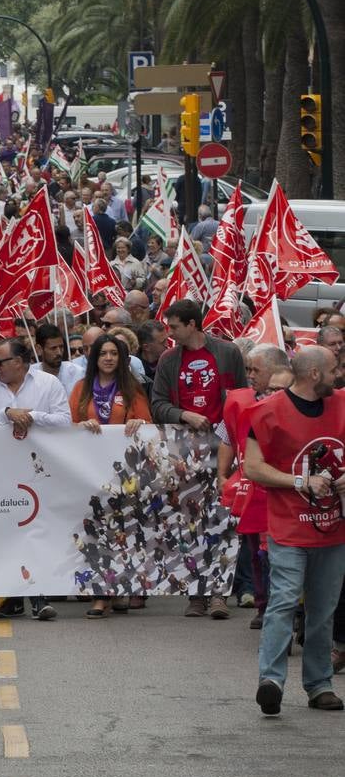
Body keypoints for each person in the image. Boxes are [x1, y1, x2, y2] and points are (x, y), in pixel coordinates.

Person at [244, 346, 344, 714]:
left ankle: (319, 686)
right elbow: (253, 468)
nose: (339, 373)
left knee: (322, 611)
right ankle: (270, 680)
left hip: (334, 529)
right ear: (315, 374)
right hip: (288, 527)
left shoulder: (342, 403)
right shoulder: (267, 412)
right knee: (284, 601)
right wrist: (300, 481)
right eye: (334, 369)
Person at [150, 299, 247, 619]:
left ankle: (219, 592)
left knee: (221, 520)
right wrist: (185, 415)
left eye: (174, 326)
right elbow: (158, 404)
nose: (170, 332)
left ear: (192, 324)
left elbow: (240, 398)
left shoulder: (228, 352)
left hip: (222, 447)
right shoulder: (168, 359)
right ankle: (196, 593)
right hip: (185, 449)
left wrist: (229, 433)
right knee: (190, 522)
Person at [0, 339, 69, 621]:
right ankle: (14, 598)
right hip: (1, 470)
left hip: (39, 469)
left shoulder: (48, 383)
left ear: (18, 362)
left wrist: (31, 415)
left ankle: (39, 597)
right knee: (8, 531)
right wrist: (6, 414)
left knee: (37, 531)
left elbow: (64, 420)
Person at [69, 334, 152, 617]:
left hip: (124, 475)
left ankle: (119, 590)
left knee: (121, 532)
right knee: (95, 532)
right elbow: (67, 428)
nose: (108, 358)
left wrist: (138, 422)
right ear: (95, 358)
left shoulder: (132, 389)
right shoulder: (81, 389)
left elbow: (147, 426)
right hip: (89, 471)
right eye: (103, 353)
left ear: (122, 358)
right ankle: (100, 595)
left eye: (114, 354)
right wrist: (82, 425)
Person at [217, 345, 292, 629]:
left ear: (277, 372)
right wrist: (222, 475)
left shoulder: (299, 402)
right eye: (247, 369)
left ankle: (294, 610)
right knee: (256, 551)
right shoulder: (239, 401)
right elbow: (226, 437)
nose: (249, 376)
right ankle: (263, 606)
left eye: (254, 370)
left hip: (288, 490)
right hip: (252, 489)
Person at [30, 323, 84, 394]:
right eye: (53, 348)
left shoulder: (78, 373)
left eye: (61, 347)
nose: (59, 352)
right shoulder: (30, 376)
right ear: (39, 349)